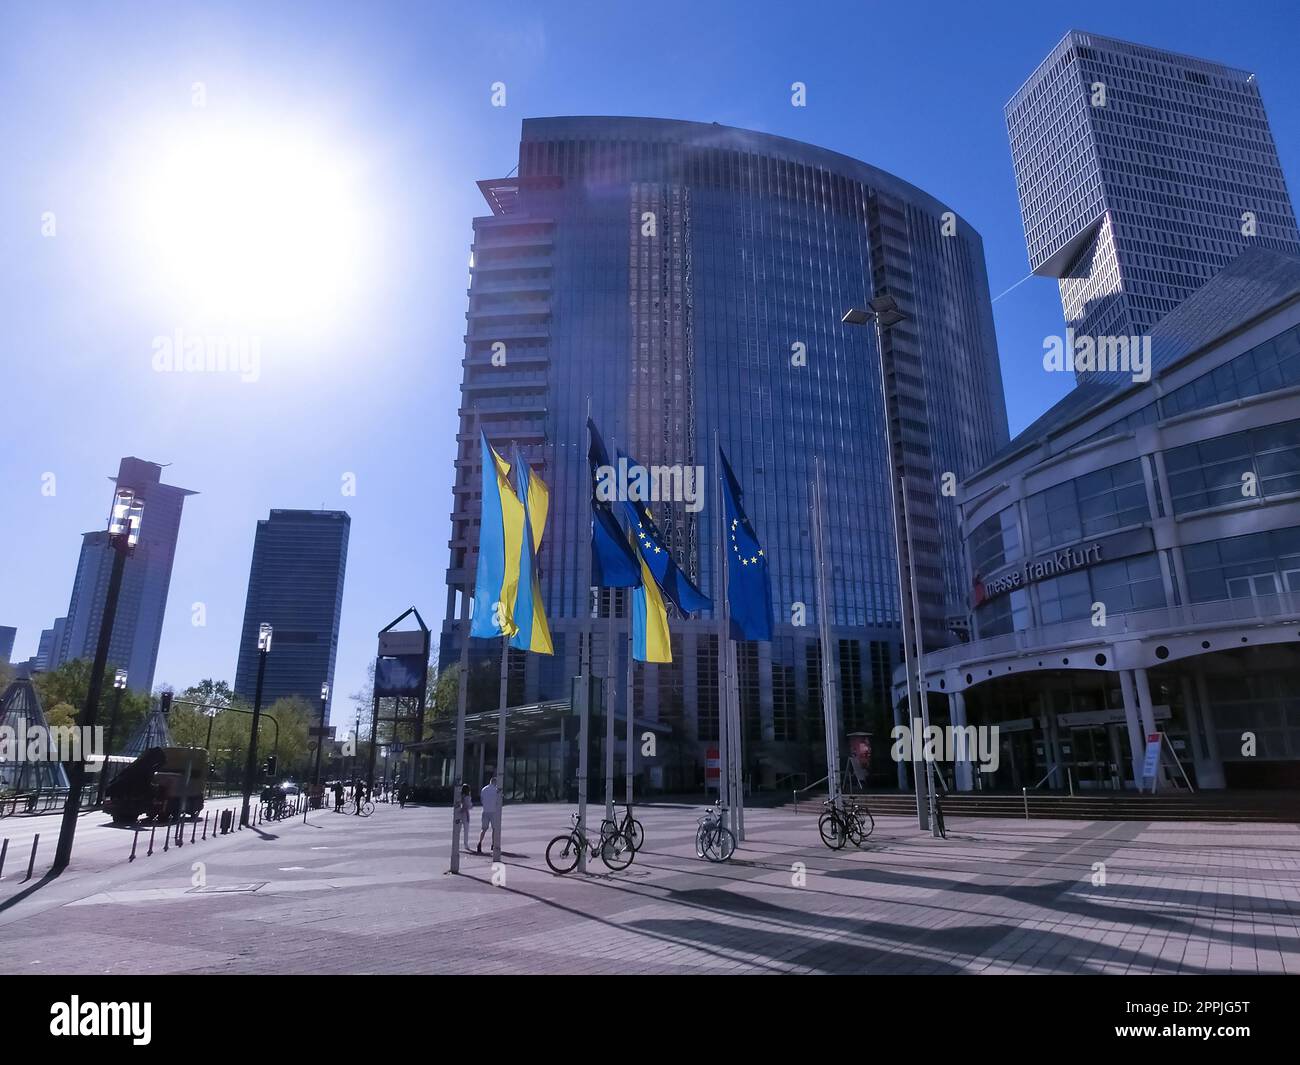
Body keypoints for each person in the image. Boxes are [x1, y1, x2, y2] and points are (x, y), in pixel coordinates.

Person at [476, 775, 501, 855]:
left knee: (483, 829)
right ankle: (493, 844)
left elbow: (482, 800)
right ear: (495, 782)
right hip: (493, 812)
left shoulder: (484, 789)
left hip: (485, 811)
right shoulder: (496, 790)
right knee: (494, 828)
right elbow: (498, 801)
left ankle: (480, 843)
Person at [454, 783, 472, 851]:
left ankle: (456, 844)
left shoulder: (460, 796)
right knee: (466, 830)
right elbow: (468, 806)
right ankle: (466, 844)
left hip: (459, 813)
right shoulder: (468, 797)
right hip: (465, 813)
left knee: (458, 829)